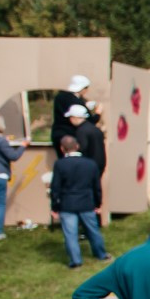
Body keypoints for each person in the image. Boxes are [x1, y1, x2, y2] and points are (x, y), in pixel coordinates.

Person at [50, 136, 109, 269]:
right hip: (87, 203)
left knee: (70, 234)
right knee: (93, 230)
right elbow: (96, 187)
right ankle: (101, 254)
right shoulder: (90, 164)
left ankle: (76, 261)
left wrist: (55, 206)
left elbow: (56, 188)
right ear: (77, 146)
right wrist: (98, 203)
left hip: (67, 204)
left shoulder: (60, 164)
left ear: (62, 148)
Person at [66, 103, 107, 179]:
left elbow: (82, 149)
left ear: (75, 117)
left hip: (88, 167)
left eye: (71, 117)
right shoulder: (95, 129)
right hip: (99, 165)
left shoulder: (81, 131)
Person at [50, 76, 91, 148]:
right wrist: (97, 114)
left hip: (57, 134)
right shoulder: (75, 101)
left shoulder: (59, 97)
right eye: (86, 88)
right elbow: (90, 119)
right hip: (71, 136)